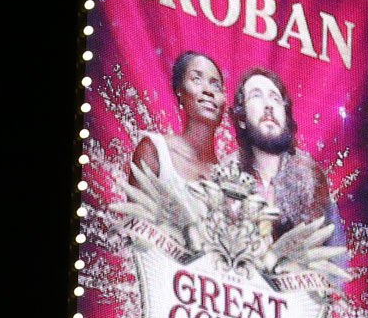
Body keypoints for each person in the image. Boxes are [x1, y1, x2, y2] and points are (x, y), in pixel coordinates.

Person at [230, 67, 336, 236]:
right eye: (256, 96)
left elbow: (336, 253)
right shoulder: (229, 173)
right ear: (241, 118)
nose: (268, 105)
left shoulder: (310, 176)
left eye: (276, 99)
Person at [131, 51, 227, 192]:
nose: (208, 90)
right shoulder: (155, 150)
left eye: (216, 86)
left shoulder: (227, 176)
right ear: (179, 91)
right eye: (196, 79)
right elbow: (134, 212)